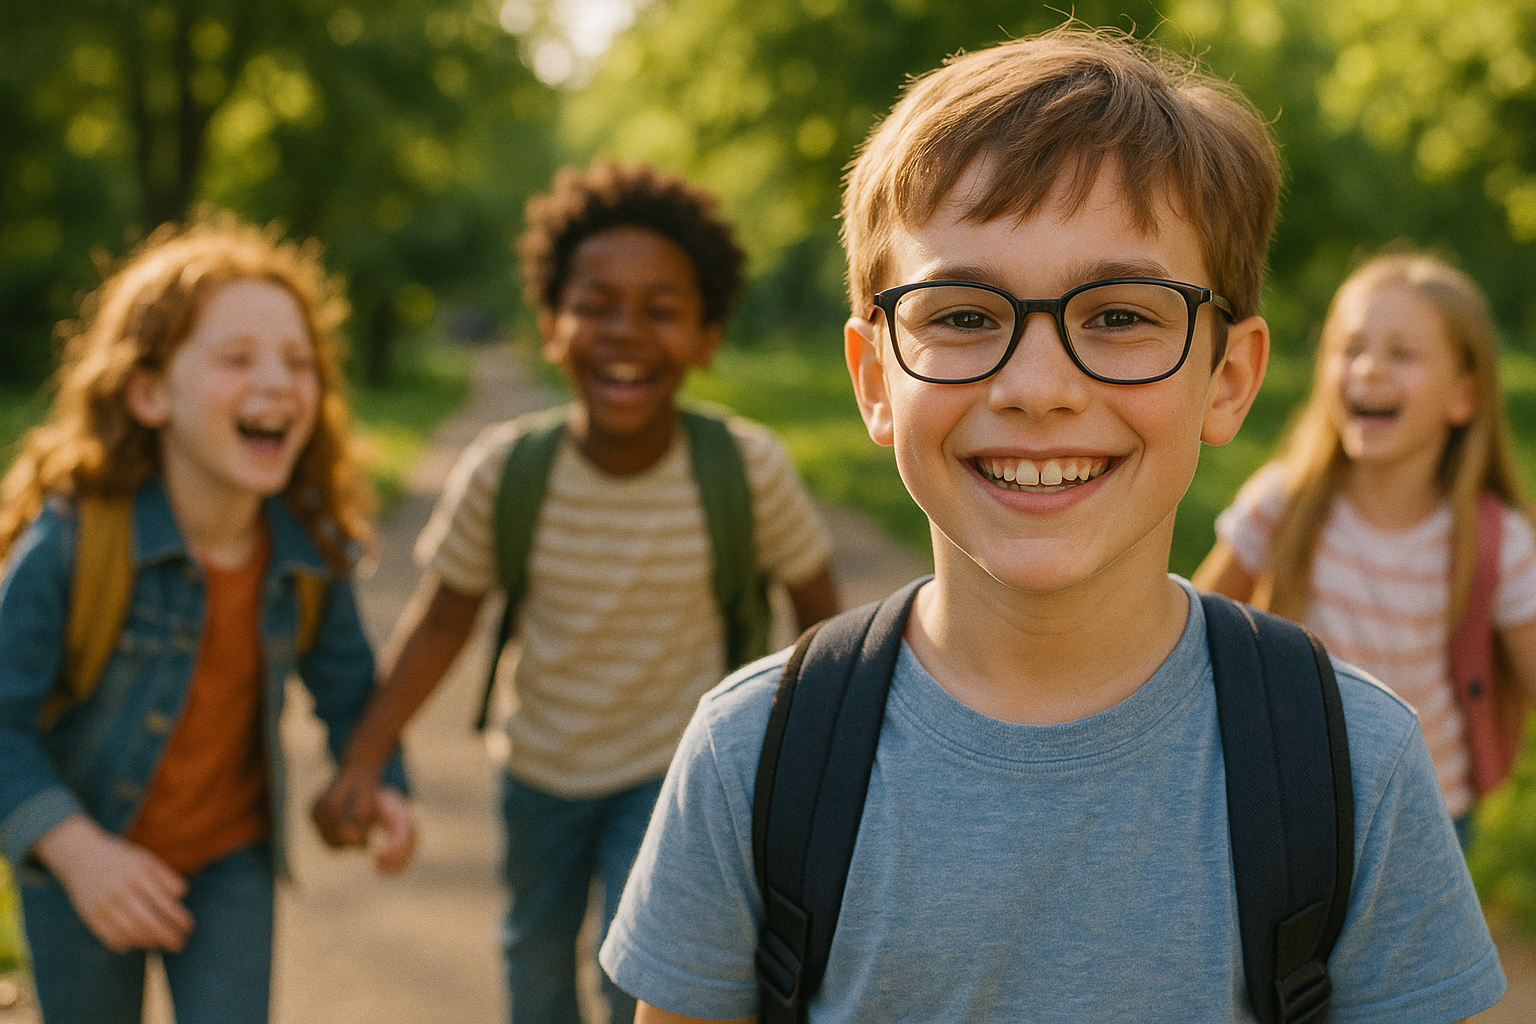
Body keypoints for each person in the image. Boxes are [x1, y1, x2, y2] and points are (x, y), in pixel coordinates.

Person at [596, 27, 1506, 1024]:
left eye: (1121, 315)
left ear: (1230, 378)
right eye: (962, 315)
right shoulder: (754, 757)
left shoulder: (1355, 764)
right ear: (873, 380)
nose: (1037, 388)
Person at [311, 159, 840, 1024]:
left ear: (707, 337)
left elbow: (820, 615)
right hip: (540, 767)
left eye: (661, 310)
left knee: (639, 980)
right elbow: (444, 618)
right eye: (594, 304)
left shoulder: (747, 468)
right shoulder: (505, 471)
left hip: (679, 772)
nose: (624, 331)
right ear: (549, 328)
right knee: (534, 961)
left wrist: (818, 767)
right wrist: (364, 757)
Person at [0, 214, 413, 1024]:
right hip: (83, 856)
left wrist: (380, 781)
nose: (276, 382)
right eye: (236, 358)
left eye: (299, 361)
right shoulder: (74, 544)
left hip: (231, 856)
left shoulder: (308, 545)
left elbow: (348, 687)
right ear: (149, 392)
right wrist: (76, 852)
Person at [1195, 250, 1536, 845]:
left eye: (1402, 354)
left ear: (1463, 395)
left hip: (1428, 811)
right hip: (1293, 793)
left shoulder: (1495, 541)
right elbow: (1193, 628)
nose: (1369, 369)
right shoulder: (1283, 503)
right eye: (1350, 348)